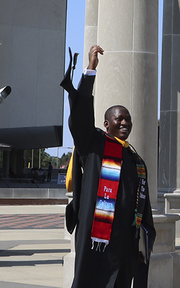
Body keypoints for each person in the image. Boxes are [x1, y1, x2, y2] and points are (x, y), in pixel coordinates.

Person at [61, 45, 155, 288]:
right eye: (119, 119)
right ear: (107, 123)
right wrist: (90, 72)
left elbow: (143, 202)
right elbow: (80, 117)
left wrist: (145, 233)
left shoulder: (135, 158)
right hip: (98, 237)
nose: (125, 123)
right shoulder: (95, 144)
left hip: (125, 239)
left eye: (128, 119)